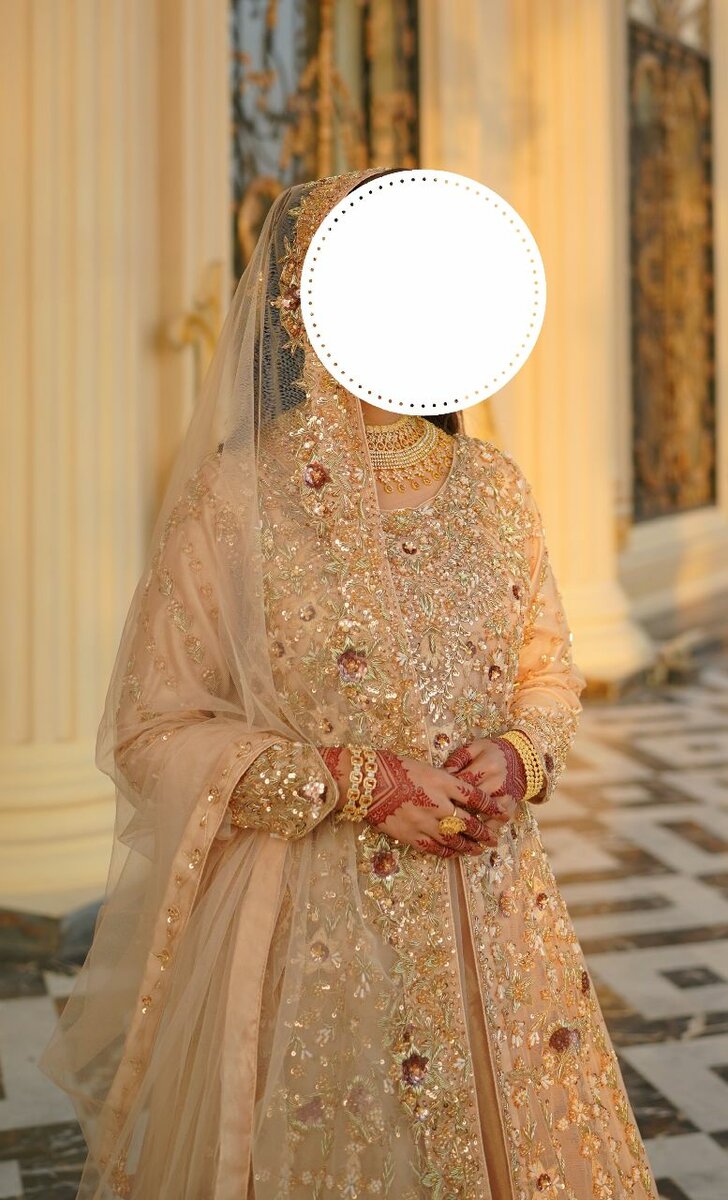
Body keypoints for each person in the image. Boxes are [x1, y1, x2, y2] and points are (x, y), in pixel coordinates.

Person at [39, 167, 659, 1199]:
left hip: (495, 922)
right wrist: (352, 781)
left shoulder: (494, 491)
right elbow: (152, 728)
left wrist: (517, 755)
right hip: (313, 936)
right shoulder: (237, 500)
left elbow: (549, 673)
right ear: (305, 303)